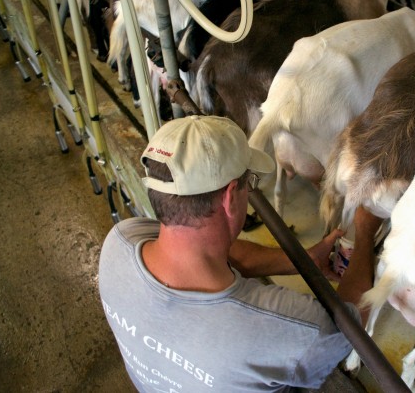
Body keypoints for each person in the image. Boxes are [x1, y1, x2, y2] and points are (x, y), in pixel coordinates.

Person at [98, 116, 382, 392]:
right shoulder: (291, 329)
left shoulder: (120, 241)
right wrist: (366, 229)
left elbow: (213, 252)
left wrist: (303, 261)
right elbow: (351, 325)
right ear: (231, 196)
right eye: (250, 182)